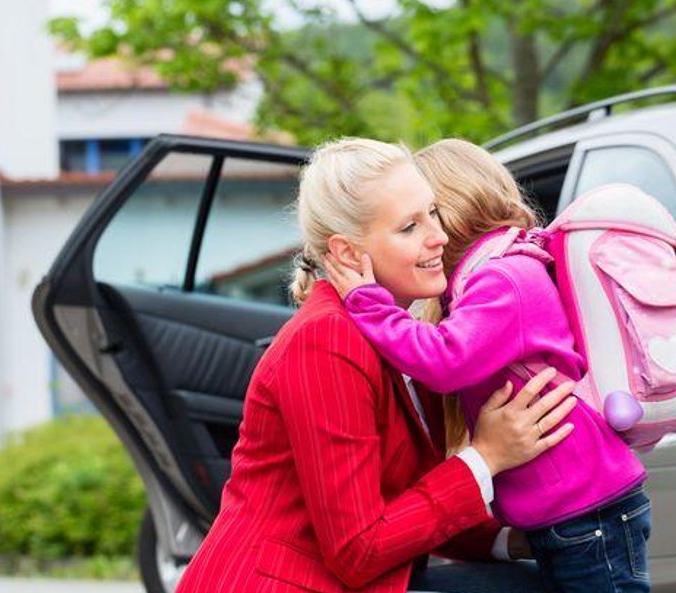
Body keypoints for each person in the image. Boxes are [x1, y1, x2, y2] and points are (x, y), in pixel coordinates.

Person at [174, 138, 578, 593]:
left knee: (543, 580)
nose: (439, 237)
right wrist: (485, 457)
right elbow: (358, 548)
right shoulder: (325, 341)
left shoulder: (404, 336)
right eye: (409, 227)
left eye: (434, 214)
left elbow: (411, 506)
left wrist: (517, 541)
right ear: (347, 253)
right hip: (282, 584)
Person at [323, 139, 651, 593]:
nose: (429, 234)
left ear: (451, 209)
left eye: (429, 216)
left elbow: (442, 361)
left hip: (587, 512)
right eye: (411, 224)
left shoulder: (504, 278)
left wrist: (369, 304)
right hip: (574, 511)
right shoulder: (497, 273)